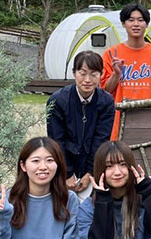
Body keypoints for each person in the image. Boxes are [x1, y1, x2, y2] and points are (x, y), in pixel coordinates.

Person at [101, 3, 151, 141]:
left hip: (150, 122)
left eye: (140, 20)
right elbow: (104, 91)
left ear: (147, 24)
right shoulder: (111, 54)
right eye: (131, 20)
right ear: (123, 24)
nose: (136, 24)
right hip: (119, 122)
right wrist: (116, 74)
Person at [47, 50, 115, 202]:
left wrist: (90, 173)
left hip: (92, 163)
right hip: (62, 163)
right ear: (74, 73)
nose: (87, 80)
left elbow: (101, 139)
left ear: (101, 74)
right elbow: (56, 140)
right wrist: (67, 174)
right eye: (82, 73)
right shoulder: (57, 101)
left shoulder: (106, 102)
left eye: (93, 74)